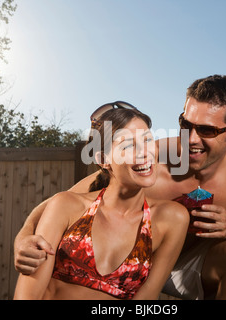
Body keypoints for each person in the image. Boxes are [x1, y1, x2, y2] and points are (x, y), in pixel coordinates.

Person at [14, 75, 226, 300]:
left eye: (207, 130)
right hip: (134, 263)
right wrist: (23, 237)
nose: (191, 138)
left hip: (187, 266)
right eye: (185, 124)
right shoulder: (153, 157)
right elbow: (66, 199)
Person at [13, 107, 189, 299]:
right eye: (128, 146)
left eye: (147, 140)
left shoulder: (171, 219)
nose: (144, 153)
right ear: (104, 159)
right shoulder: (67, 206)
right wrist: (22, 237)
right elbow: (27, 296)